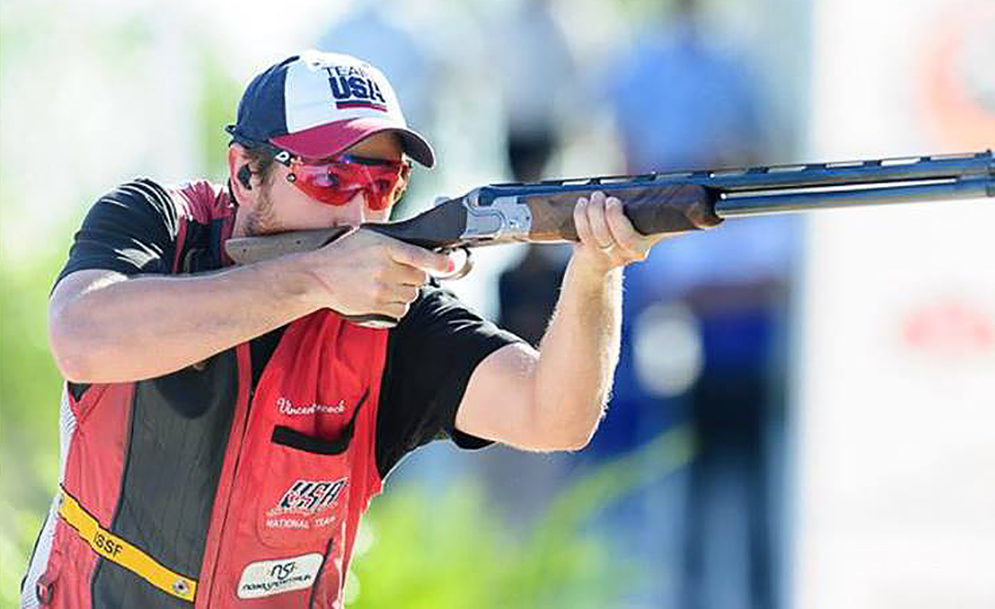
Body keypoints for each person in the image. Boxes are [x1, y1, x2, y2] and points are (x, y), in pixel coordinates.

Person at [21, 50, 658, 608]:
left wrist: (596, 271)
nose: (358, 210)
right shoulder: (162, 223)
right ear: (245, 173)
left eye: (383, 182)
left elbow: (555, 416)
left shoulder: (395, 312)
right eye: (330, 178)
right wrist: (316, 279)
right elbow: (81, 336)